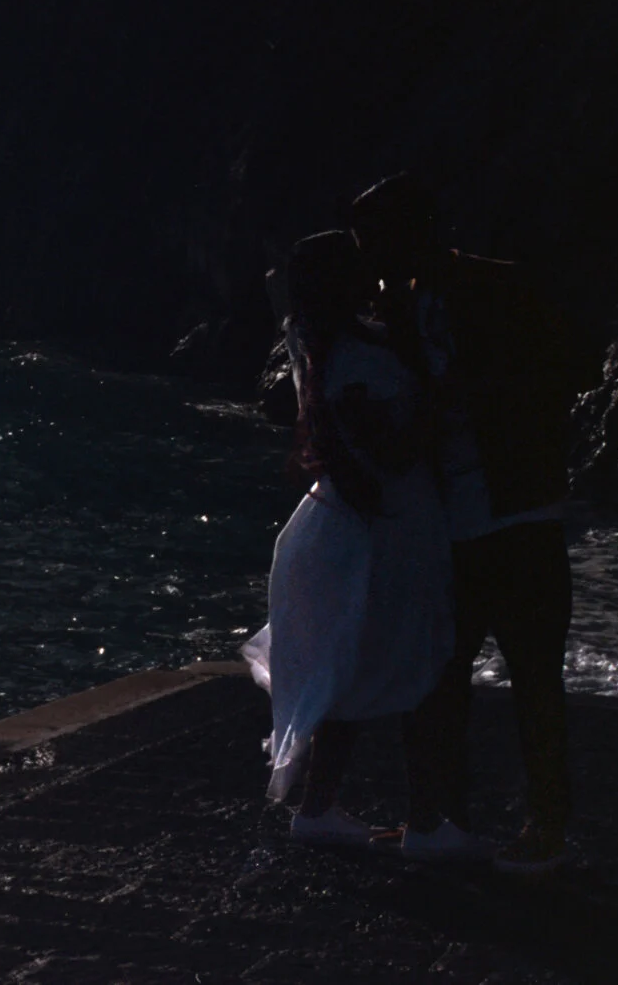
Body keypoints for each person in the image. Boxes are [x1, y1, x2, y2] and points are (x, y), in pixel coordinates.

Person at [351, 175, 585, 875]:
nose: (370, 258)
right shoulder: (404, 303)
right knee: (441, 677)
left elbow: (563, 368)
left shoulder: (495, 289)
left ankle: (542, 823)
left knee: (529, 675)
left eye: (374, 241)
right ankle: (443, 814)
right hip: (458, 521)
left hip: (515, 512)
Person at [242, 230, 455, 845]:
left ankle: (323, 809)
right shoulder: (354, 359)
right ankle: (425, 820)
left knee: (360, 666)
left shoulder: (336, 347)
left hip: (346, 525)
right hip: (374, 530)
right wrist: (435, 407)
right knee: (413, 664)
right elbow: (385, 456)